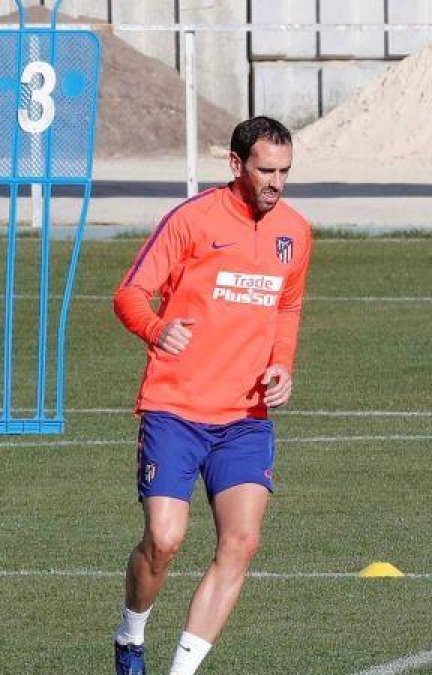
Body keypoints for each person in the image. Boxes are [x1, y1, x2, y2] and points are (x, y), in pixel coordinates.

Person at [110, 116, 313, 675]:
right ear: (235, 164)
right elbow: (130, 293)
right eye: (266, 170)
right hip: (175, 409)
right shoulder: (192, 220)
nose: (277, 182)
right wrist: (156, 329)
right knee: (165, 539)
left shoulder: (295, 231)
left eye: (285, 172)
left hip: (246, 417)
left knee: (241, 543)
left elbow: (287, 307)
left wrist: (282, 365)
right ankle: (131, 636)